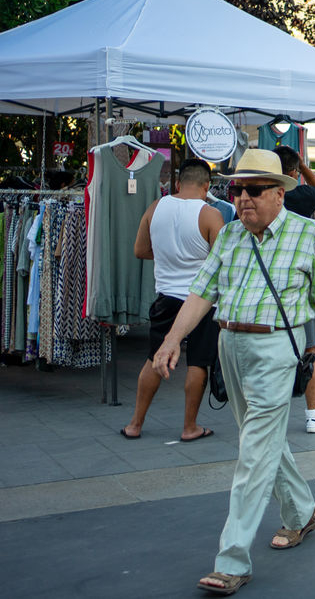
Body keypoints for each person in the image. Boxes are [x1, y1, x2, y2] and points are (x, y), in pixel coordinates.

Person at [151, 149, 315, 596]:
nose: (243, 199)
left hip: (277, 346)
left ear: (279, 194)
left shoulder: (308, 234)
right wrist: (170, 340)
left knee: (254, 452)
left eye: (254, 190)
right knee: (261, 440)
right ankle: (302, 513)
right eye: (237, 190)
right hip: (229, 346)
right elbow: (201, 292)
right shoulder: (231, 235)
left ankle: (231, 559)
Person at [120, 159, 225, 442]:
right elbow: (221, 262)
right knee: (198, 363)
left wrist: (169, 257)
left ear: (177, 184)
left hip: (166, 296)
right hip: (202, 301)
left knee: (155, 357)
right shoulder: (211, 215)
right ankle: (189, 426)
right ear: (207, 186)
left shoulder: (156, 207)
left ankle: (135, 424)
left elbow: (140, 250)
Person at [274, 146, 315, 434]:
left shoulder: (255, 199)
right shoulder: (301, 196)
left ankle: (269, 414)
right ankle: (313, 413)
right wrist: (304, 167)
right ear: (294, 173)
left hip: (265, 290)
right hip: (299, 289)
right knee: (309, 350)